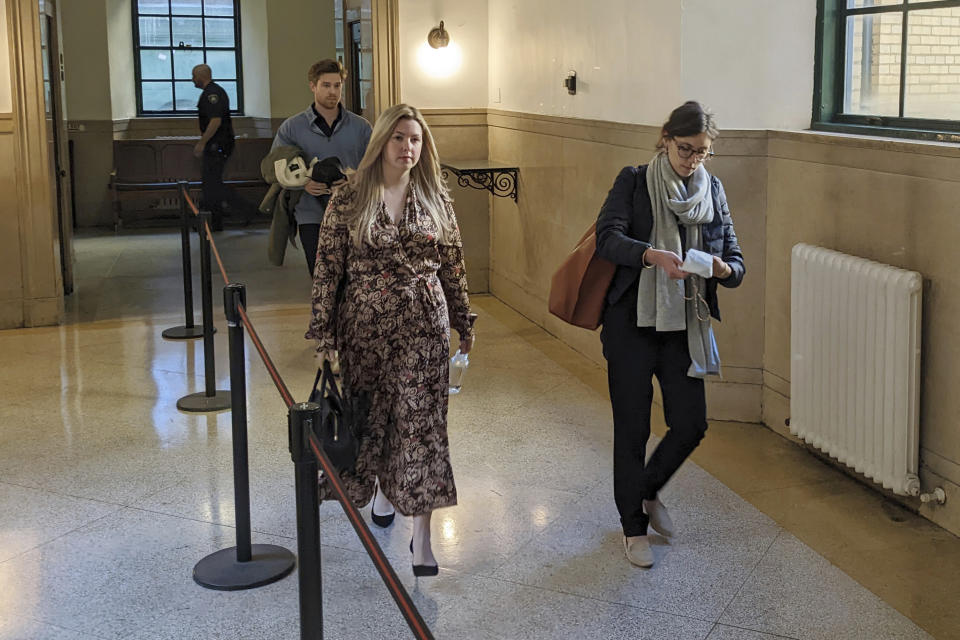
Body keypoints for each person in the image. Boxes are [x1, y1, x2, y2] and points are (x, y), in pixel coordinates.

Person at [306, 103, 473, 577]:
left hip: (424, 324)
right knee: (374, 418)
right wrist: (323, 330)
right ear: (381, 142)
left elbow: (454, 263)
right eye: (399, 138)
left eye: (416, 140)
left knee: (423, 427)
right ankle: (380, 488)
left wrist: (464, 320)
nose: (408, 148)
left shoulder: (435, 196)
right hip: (365, 329)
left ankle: (422, 537)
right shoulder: (350, 197)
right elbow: (327, 269)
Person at [595, 101, 745, 568]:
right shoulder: (634, 180)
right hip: (632, 325)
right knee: (633, 429)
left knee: (691, 423)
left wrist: (724, 269)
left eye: (702, 153)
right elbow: (608, 237)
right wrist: (650, 255)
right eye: (686, 149)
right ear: (665, 138)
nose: (693, 160)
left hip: (684, 326)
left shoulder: (713, 190)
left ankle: (647, 491)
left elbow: (737, 262)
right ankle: (632, 528)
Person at [272, 59, 372, 275]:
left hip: (351, 212)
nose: (332, 92)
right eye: (326, 85)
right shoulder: (292, 127)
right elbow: (276, 166)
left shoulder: (361, 127)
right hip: (311, 214)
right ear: (313, 86)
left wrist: (351, 179)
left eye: (337, 86)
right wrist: (303, 184)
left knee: (353, 276)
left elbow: (374, 166)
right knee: (320, 276)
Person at [191, 64, 251, 231]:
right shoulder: (212, 92)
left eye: (194, 76)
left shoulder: (212, 93)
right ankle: (215, 222)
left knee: (212, 184)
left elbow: (215, 121)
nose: (192, 80)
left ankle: (248, 209)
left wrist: (202, 143)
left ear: (201, 76)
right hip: (216, 145)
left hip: (217, 145)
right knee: (211, 184)